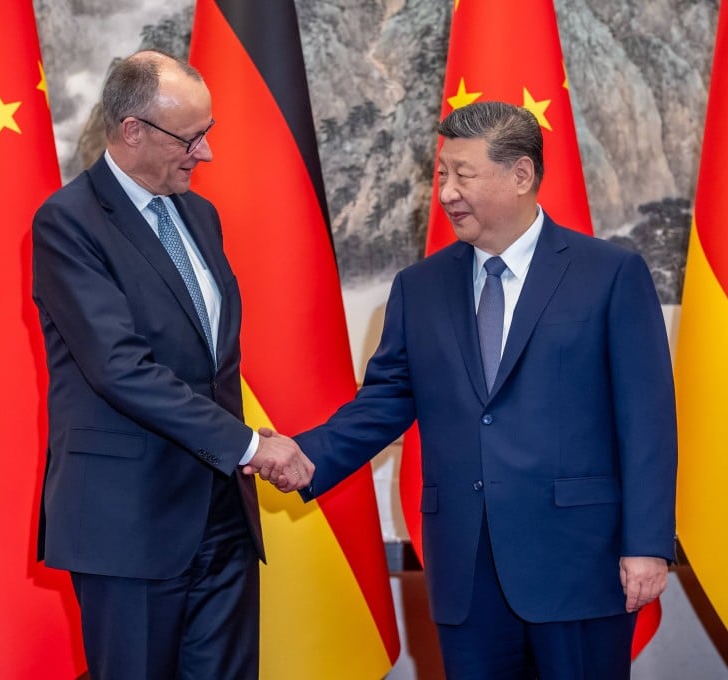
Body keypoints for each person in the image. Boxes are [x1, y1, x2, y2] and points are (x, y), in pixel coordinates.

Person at [270, 101, 677, 677]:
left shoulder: (609, 274)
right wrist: (304, 456)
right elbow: (384, 402)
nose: (446, 193)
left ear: (521, 175)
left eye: (463, 174)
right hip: (465, 568)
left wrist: (648, 543)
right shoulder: (419, 287)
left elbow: (647, 421)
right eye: (442, 174)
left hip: (579, 562)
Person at [31, 50, 313, 680]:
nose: (205, 153)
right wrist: (249, 446)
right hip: (129, 523)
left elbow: (208, 363)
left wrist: (241, 448)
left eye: (206, 133)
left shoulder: (200, 216)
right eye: (190, 138)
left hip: (222, 513)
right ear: (132, 130)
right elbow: (120, 368)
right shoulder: (68, 223)